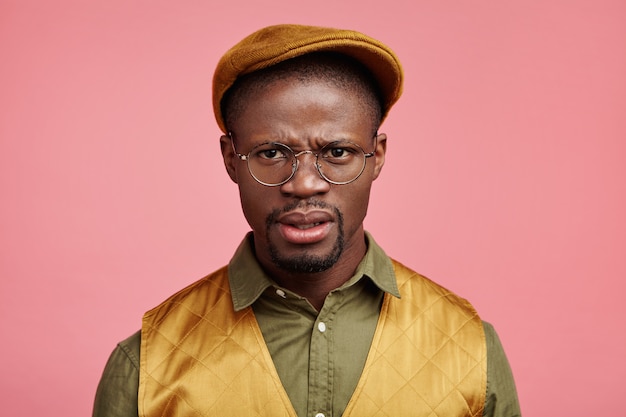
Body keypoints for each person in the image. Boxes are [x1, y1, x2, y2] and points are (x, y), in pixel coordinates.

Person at [93, 24, 521, 417]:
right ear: (230, 160)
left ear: (378, 158)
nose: (305, 184)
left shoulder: (470, 348)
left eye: (337, 152)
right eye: (272, 153)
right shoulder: (147, 364)